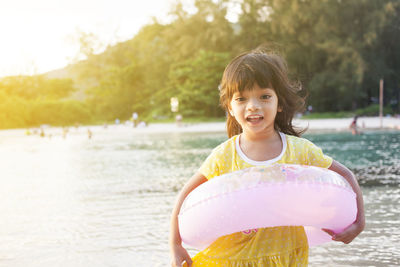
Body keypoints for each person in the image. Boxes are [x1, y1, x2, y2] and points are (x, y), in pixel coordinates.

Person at [169, 50, 365, 267]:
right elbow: (185, 196)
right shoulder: (225, 155)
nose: (253, 105)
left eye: (264, 96)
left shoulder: (299, 151)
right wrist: (175, 245)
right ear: (230, 108)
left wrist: (359, 223)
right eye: (241, 98)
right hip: (235, 259)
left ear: (279, 103)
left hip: (287, 256)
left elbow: (346, 175)